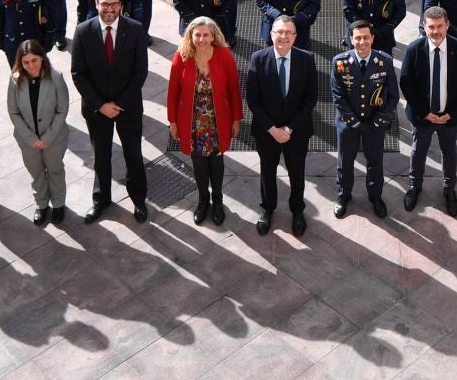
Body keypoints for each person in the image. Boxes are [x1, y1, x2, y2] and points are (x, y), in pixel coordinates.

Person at [71, 0, 151, 223]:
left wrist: (119, 103)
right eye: (104, 4)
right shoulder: (83, 31)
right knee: (100, 156)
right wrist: (101, 105)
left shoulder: (135, 30)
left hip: (128, 108)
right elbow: (78, 73)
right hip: (96, 110)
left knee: (133, 156)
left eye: (114, 4)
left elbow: (140, 73)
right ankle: (101, 199)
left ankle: (139, 200)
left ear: (121, 6)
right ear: (96, 4)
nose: (109, 9)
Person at [167, 16, 242, 226]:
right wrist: (172, 120)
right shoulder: (181, 55)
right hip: (192, 121)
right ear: (190, 35)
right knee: (198, 162)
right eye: (197, 34)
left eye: (205, 35)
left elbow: (234, 90)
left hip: (218, 120)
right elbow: (173, 91)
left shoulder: (224, 55)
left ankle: (217, 200)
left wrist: (237, 118)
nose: (201, 39)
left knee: (216, 162)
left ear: (213, 36)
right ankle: (203, 200)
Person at [247, 16, 318, 235]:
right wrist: (272, 129)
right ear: (271, 34)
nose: (284, 36)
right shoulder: (258, 59)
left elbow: (310, 98)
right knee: (267, 171)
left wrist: (288, 129)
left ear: (295, 36)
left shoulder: (306, 59)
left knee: (297, 172)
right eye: (279, 32)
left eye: (289, 32)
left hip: (296, 131)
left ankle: (297, 210)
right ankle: (267, 208)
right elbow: (253, 99)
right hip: (266, 131)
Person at [401, 6, 457, 216]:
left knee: (449, 153)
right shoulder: (414, 49)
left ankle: (449, 190)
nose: (435, 31)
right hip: (423, 117)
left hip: (449, 117)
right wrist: (424, 113)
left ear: (447, 25)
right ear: (424, 26)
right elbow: (407, 84)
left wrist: (454, 113)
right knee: (418, 151)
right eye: (431, 26)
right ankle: (415, 186)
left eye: (440, 26)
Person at [331, 20, 397, 219]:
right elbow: (337, 96)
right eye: (357, 38)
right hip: (348, 123)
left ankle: (375, 197)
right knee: (345, 162)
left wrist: (379, 120)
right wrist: (354, 121)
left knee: (375, 161)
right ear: (350, 39)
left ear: (373, 38)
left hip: (374, 123)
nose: (362, 42)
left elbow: (393, 96)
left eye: (366, 37)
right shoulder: (340, 62)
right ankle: (343, 196)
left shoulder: (384, 61)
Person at [5, 38, 70, 226]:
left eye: (34, 61)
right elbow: (13, 111)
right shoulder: (15, 79)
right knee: (36, 172)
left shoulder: (56, 78)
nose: (30, 66)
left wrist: (47, 137)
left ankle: (58, 204)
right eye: (25, 62)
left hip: (54, 138)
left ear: (42, 58)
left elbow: (62, 110)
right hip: (28, 140)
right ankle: (41, 204)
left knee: (55, 169)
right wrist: (31, 138)